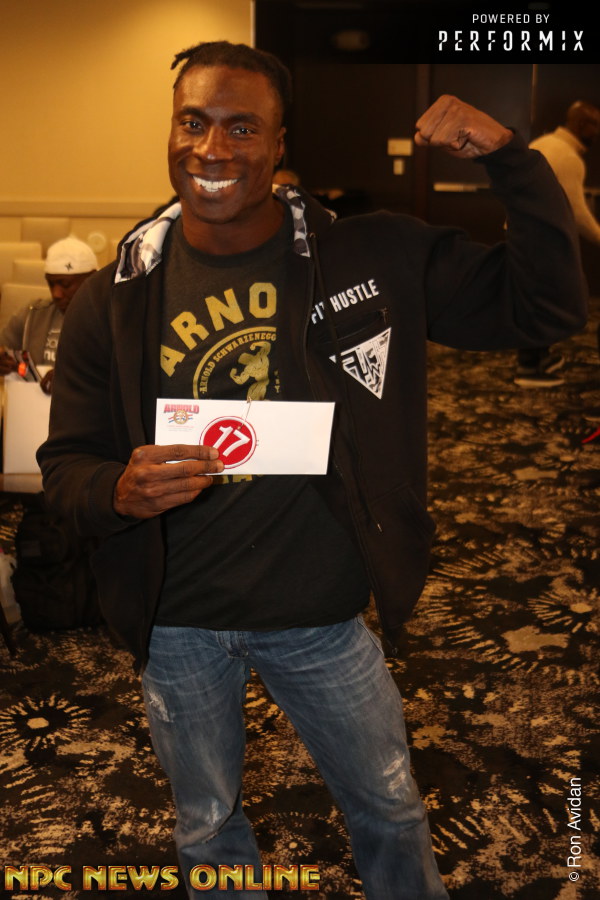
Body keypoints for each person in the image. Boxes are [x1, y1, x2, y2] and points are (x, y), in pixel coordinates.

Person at [37, 41, 586, 899]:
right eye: (193, 122)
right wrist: (116, 490)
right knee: (206, 827)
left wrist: (513, 163)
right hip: (176, 622)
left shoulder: (369, 256)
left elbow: (545, 305)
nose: (212, 148)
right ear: (171, 131)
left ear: (278, 143)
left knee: (391, 812)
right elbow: (66, 464)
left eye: (241, 128)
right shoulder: (116, 295)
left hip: (319, 613)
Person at [514, 100, 600, 387]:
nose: (597, 133)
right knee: (546, 301)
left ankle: (541, 356)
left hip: (525, 233)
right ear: (581, 124)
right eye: (595, 126)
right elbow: (577, 213)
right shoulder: (568, 157)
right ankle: (529, 369)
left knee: (536, 298)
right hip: (544, 238)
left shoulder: (544, 144)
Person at [0, 236, 97, 394]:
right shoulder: (32, 315)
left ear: (92, 278)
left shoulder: (112, 318)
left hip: (87, 405)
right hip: (31, 404)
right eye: (51, 284)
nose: (56, 294)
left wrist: (74, 376)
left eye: (65, 284)